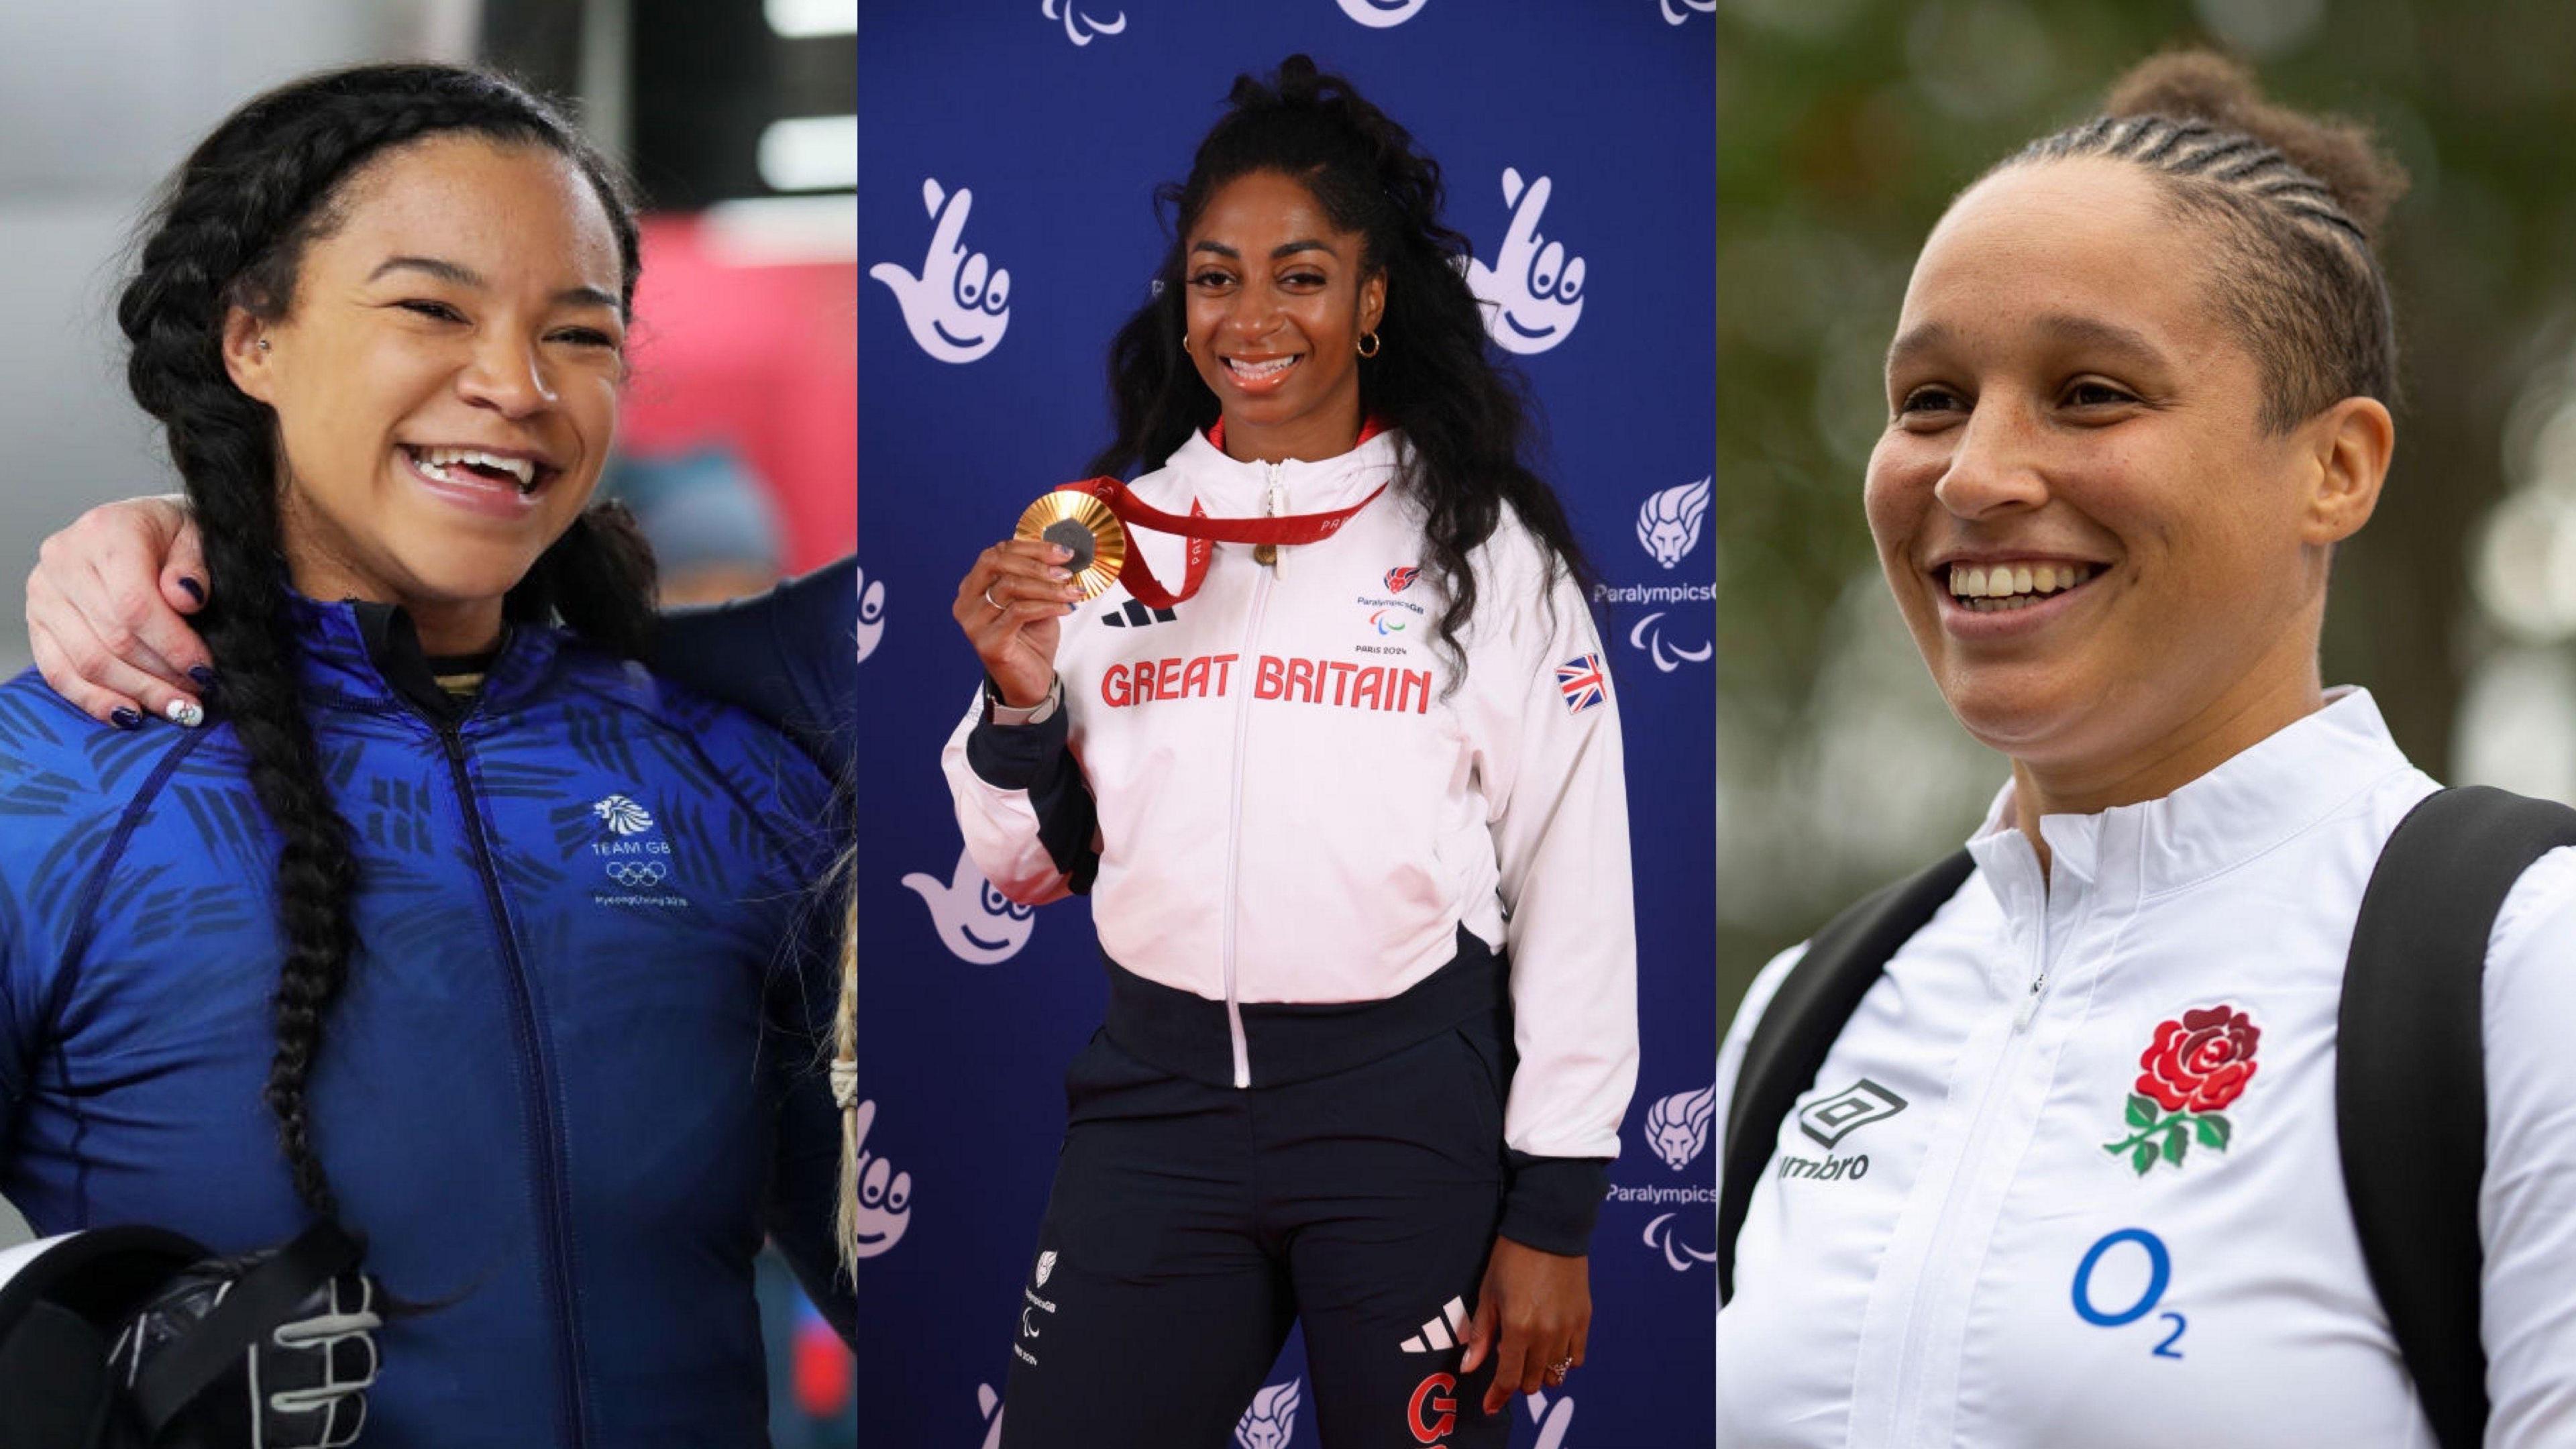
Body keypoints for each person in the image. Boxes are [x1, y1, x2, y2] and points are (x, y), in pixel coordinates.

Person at [1713, 54, 2576, 1447]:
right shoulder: (1808, 1012)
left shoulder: (2523, 966)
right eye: (1930, 399)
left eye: (2093, 393)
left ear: (2337, 467)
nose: (1976, 475)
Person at [0, 63, 850, 1445]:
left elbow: (914, 1276)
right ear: (250, 341)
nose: (516, 385)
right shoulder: (50, 791)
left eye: (580, 334)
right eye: (432, 309)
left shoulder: (725, 775)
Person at [946, 56, 1636, 1446]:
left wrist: (1556, 1209)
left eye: (1301, 275)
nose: (1253, 317)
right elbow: (1023, 867)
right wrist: (1021, 702)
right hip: (1156, 1110)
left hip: (1404, 1119)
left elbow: (1575, 880)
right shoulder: (1101, 538)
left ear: (1371, 300)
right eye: (1217, 277)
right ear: (1181, 299)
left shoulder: (1484, 548)